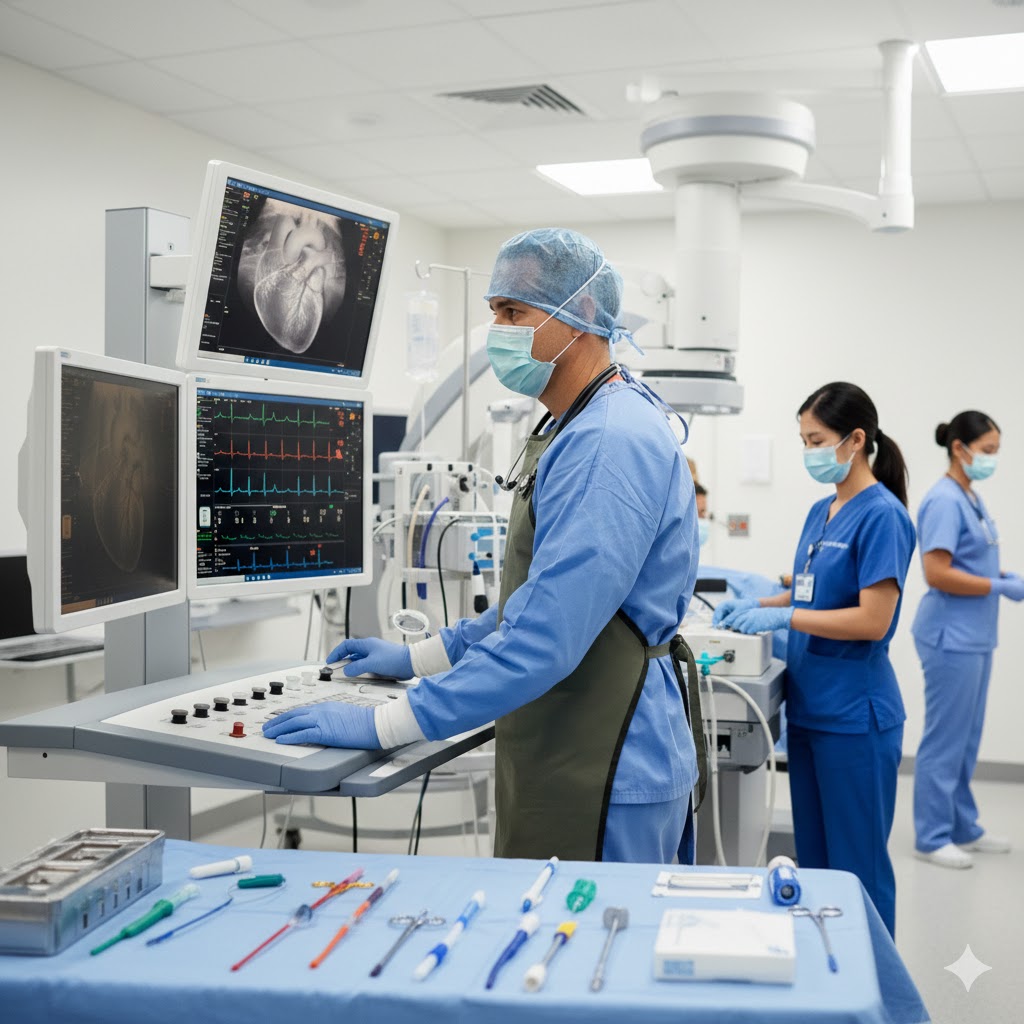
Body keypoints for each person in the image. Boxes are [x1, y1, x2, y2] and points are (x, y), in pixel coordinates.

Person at [264, 228, 704, 864]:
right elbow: (536, 602)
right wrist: (419, 657)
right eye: (495, 311)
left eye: (514, 312)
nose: (498, 330)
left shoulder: (607, 440)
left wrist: (386, 724)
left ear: (580, 314)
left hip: (607, 761)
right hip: (575, 743)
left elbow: (544, 637)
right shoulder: (577, 422)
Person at [713, 382, 915, 938]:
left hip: (855, 718)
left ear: (856, 440)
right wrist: (758, 605)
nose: (809, 452)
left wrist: (786, 618)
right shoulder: (820, 512)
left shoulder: (883, 516)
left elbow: (873, 619)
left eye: (817, 440)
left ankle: (874, 983)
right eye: (803, 440)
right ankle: (829, 974)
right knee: (819, 867)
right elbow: (808, 592)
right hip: (808, 712)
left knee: (858, 871)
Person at [911, 411, 1020, 869]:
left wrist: (1000, 575)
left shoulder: (970, 497)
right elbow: (936, 572)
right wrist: (998, 586)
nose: (992, 459)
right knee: (945, 739)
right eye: (987, 450)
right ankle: (932, 836)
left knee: (967, 738)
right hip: (949, 636)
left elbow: (969, 561)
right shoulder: (944, 500)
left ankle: (963, 826)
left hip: (975, 635)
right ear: (959, 448)